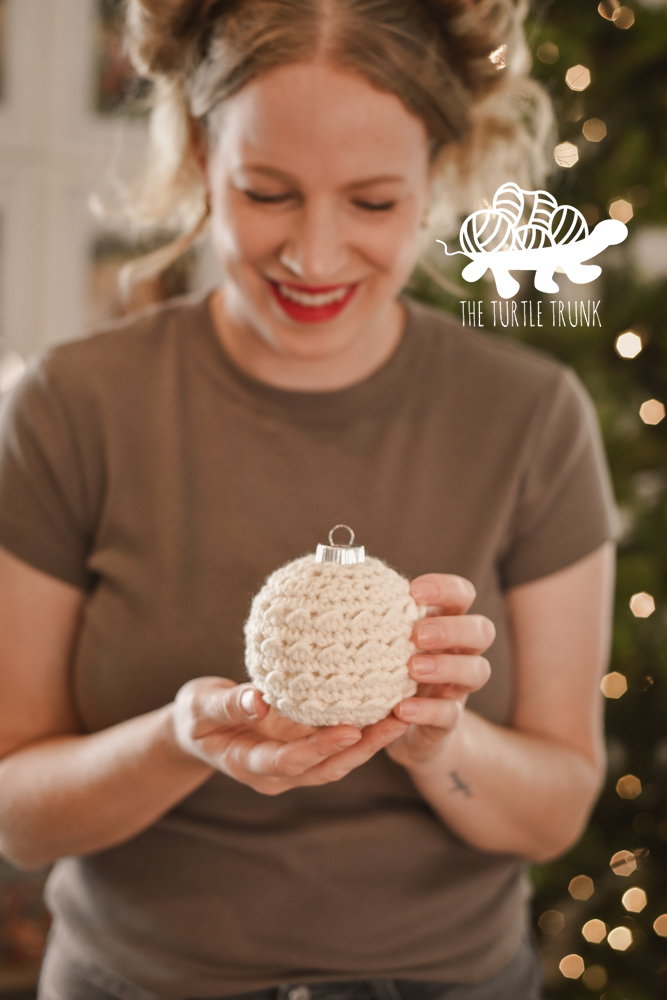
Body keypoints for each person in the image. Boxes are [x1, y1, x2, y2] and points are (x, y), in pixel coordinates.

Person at [0, 1, 618, 998]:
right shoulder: (67, 410)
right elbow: (14, 811)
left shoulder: (531, 418)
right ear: (203, 158)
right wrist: (180, 739)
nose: (316, 256)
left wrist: (438, 740)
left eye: (372, 203)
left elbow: (553, 811)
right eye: (267, 192)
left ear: (437, 173)